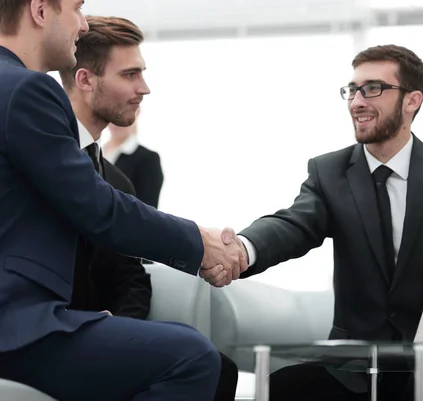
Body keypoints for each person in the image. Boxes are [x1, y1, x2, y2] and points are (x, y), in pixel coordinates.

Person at [202, 44, 423, 400]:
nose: (357, 101)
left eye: (373, 88)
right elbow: (295, 225)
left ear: (412, 100)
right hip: (354, 367)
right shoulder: (329, 171)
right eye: (353, 90)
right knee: (283, 386)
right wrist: (242, 248)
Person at [0, 1, 246, 400]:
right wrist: (200, 242)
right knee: (193, 356)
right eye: (76, 8)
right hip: (17, 325)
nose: (81, 24)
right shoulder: (27, 88)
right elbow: (98, 209)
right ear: (41, 11)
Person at [104, 109, 164, 209]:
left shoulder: (148, 159)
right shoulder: (94, 151)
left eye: (122, 114)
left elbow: (147, 211)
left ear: (137, 112)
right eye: (111, 114)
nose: (115, 121)